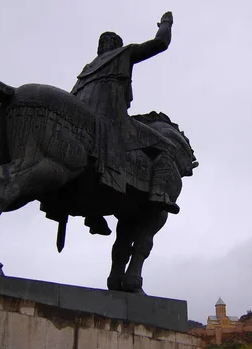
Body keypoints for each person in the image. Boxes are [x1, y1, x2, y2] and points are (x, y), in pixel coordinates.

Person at [71, 12, 183, 235]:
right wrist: (166, 24)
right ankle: (159, 194)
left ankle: (94, 214)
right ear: (116, 45)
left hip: (80, 118)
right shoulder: (124, 54)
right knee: (166, 146)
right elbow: (160, 43)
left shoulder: (86, 70)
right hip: (111, 119)